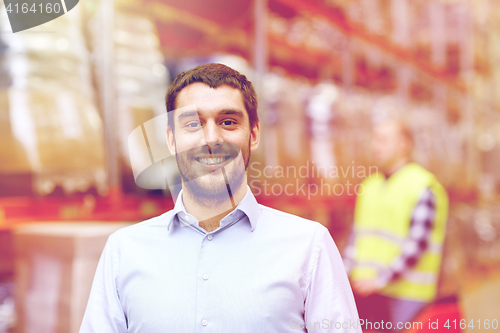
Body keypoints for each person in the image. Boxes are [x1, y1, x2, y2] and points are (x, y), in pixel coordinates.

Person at [80, 63, 361, 333]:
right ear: (170, 139)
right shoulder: (124, 251)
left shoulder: (309, 247)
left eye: (228, 122)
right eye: (192, 123)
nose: (211, 138)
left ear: (253, 135)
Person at [343, 119, 449, 332]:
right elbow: (357, 239)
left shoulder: (422, 185)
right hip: (368, 293)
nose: (375, 146)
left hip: (407, 296)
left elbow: (416, 245)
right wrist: (343, 277)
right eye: (374, 139)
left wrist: (380, 279)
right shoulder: (369, 186)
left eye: (383, 140)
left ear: (404, 144)